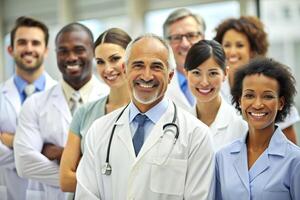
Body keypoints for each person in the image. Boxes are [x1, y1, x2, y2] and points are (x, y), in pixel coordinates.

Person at [75, 34, 215, 199]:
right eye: (138, 65)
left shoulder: (196, 135)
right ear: (125, 70)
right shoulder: (99, 130)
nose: (147, 76)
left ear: (170, 75)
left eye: (156, 66)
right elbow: (86, 195)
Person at [13, 22, 108, 200]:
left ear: (93, 52)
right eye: (63, 51)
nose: (71, 57)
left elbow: (116, 165)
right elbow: (25, 164)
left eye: (79, 50)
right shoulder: (35, 104)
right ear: (55, 54)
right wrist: (89, 174)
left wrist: (57, 153)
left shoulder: (111, 99)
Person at [215, 57, 300, 199]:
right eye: (249, 95)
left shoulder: (295, 160)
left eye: (267, 96)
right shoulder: (222, 158)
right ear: (239, 100)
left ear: (281, 103)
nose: (258, 104)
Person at [59, 28, 132, 192]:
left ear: (131, 58)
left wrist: (89, 175)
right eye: (100, 62)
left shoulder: (144, 112)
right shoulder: (84, 113)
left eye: (115, 59)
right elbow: (65, 180)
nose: (107, 69)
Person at [214, 16, 300, 143]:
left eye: (240, 45)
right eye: (227, 45)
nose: (232, 52)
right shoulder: (215, 88)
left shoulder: (274, 85)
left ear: (253, 51)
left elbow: (291, 151)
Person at [0, 16, 57, 200]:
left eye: (35, 43)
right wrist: (43, 150)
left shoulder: (62, 96)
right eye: (22, 42)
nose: (29, 49)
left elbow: (67, 153)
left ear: (46, 50)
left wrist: (14, 141)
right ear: (11, 49)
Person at [185, 40, 247, 151]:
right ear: (186, 73)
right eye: (196, 73)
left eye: (213, 73)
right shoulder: (180, 125)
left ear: (225, 74)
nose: (204, 82)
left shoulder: (241, 126)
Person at [163, 8, 206, 112]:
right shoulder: (160, 87)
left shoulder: (224, 82)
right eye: (177, 37)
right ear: (166, 43)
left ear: (203, 38)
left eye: (191, 35)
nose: (185, 44)